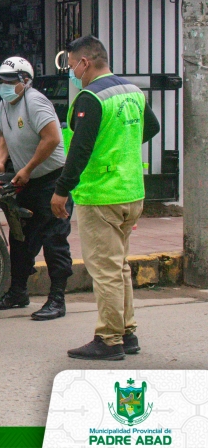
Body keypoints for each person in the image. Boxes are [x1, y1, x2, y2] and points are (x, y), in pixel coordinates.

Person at [51, 36, 160, 360]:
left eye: (72, 66)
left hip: (101, 195)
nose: (72, 73)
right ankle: (127, 332)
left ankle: (109, 339)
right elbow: (150, 128)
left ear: (85, 62)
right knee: (120, 266)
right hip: (131, 191)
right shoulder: (132, 92)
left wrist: (61, 190)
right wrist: (120, 145)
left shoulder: (91, 97)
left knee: (106, 270)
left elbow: (80, 150)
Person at [0, 57, 74, 320]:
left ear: (25, 82)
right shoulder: (6, 103)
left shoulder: (35, 101)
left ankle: (57, 299)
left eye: (10, 81)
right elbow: (5, 135)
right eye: (2, 80)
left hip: (51, 179)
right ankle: (17, 292)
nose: (4, 85)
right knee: (21, 239)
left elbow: (52, 138)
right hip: (26, 182)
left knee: (54, 239)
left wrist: (27, 169)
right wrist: (0, 161)